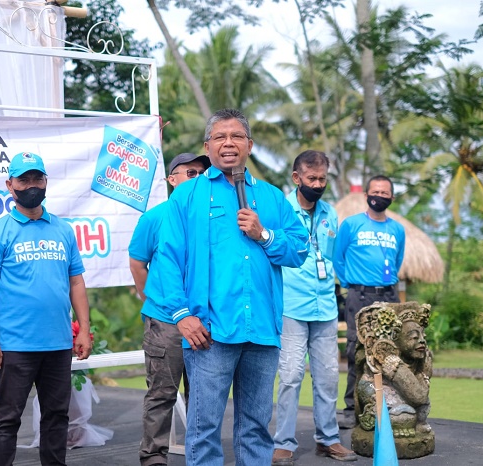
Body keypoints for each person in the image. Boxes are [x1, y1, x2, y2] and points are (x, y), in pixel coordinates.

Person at [144, 108, 309, 466]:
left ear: (249, 145)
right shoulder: (186, 197)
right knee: (204, 430)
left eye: (236, 136)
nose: (228, 143)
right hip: (210, 334)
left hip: (262, 332)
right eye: (220, 137)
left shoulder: (271, 198)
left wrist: (263, 234)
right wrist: (182, 316)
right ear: (208, 146)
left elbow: (299, 249)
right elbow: (167, 260)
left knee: (255, 429)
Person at [0, 152, 93, 466]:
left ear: (45, 182)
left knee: (57, 417)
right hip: (15, 345)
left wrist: (83, 328)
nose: (31, 185)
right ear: (9, 185)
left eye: (37, 179)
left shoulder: (63, 230)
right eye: (24, 180)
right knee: (7, 419)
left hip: (58, 343)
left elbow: (77, 284)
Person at [272, 150, 356, 465]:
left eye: (322, 179)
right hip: (292, 307)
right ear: (297, 178)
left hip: (326, 308)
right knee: (291, 376)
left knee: (328, 377)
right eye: (312, 179)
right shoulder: (280, 210)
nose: (318, 184)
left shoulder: (331, 214)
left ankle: (328, 440)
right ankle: (283, 443)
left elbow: (333, 258)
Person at [129, 152, 210, 466]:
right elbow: (138, 263)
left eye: (203, 173)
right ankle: (153, 456)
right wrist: (153, 297)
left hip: (205, 321)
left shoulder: (212, 216)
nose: (198, 178)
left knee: (203, 396)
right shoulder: (155, 217)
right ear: (172, 179)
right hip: (165, 322)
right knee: (162, 393)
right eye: (191, 172)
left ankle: (200, 454)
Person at [333, 175, 406, 429]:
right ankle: (352, 408)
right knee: (357, 351)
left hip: (389, 295)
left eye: (385, 192)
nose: (380, 196)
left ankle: (389, 407)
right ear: (366, 195)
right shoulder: (352, 225)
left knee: (390, 351)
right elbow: (337, 258)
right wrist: (351, 284)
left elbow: (397, 262)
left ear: (391, 197)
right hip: (359, 296)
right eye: (375, 191)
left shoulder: (397, 229)